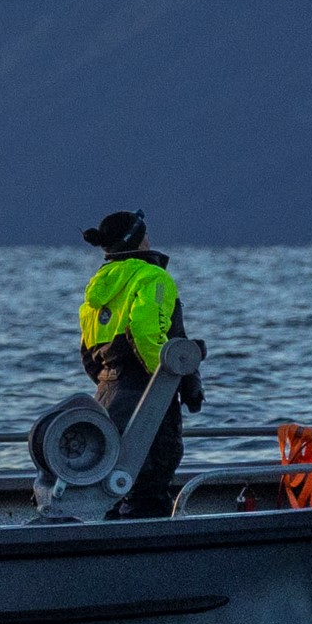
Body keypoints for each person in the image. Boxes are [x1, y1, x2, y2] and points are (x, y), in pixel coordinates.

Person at [76, 210, 200, 517]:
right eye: (145, 233)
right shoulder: (153, 277)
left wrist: (111, 384)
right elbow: (146, 332)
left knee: (110, 482)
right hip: (146, 393)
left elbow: (88, 351)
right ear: (137, 240)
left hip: (106, 397)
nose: (149, 238)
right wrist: (171, 381)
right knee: (151, 480)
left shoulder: (99, 287)